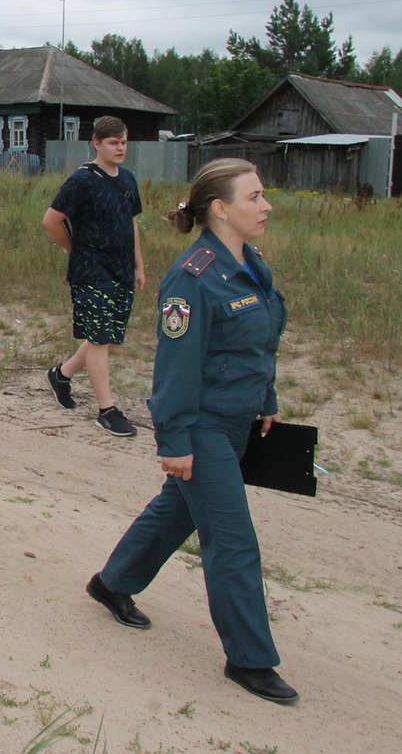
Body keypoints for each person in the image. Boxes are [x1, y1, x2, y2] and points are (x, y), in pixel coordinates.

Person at [85, 158, 298, 705]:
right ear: (221, 209)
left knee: (177, 509)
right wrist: (174, 442)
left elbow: (260, 341)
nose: (266, 205)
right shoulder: (193, 277)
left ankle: (112, 583)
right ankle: (249, 659)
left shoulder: (252, 264)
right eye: (255, 197)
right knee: (232, 541)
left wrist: (266, 399)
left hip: (237, 421)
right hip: (201, 427)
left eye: (264, 194)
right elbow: (175, 371)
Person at [42, 115, 145, 436]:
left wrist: (139, 264)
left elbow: (132, 223)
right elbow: (51, 220)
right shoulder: (82, 180)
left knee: (107, 336)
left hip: (122, 269)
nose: (120, 147)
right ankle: (107, 409)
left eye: (124, 142)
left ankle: (61, 375)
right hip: (91, 271)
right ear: (97, 143)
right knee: (100, 338)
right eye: (113, 142)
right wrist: (73, 250)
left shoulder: (127, 179)